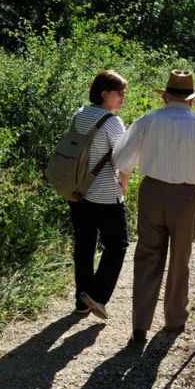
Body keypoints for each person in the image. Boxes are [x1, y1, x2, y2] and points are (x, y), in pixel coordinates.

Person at [113, 70, 195, 344]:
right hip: (186, 197)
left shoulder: (147, 120)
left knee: (147, 256)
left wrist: (124, 183)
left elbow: (123, 158)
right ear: (191, 100)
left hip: (152, 193)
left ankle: (140, 325)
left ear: (166, 97)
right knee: (180, 258)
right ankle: (174, 320)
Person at [69, 71, 130, 320]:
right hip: (105, 194)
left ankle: (81, 301)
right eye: (119, 93)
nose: (123, 98)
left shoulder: (79, 113)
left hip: (77, 191)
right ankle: (96, 295)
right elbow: (125, 159)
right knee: (118, 244)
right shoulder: (112, 122)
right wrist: (123, 183)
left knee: (84, 245)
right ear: (104, 93)